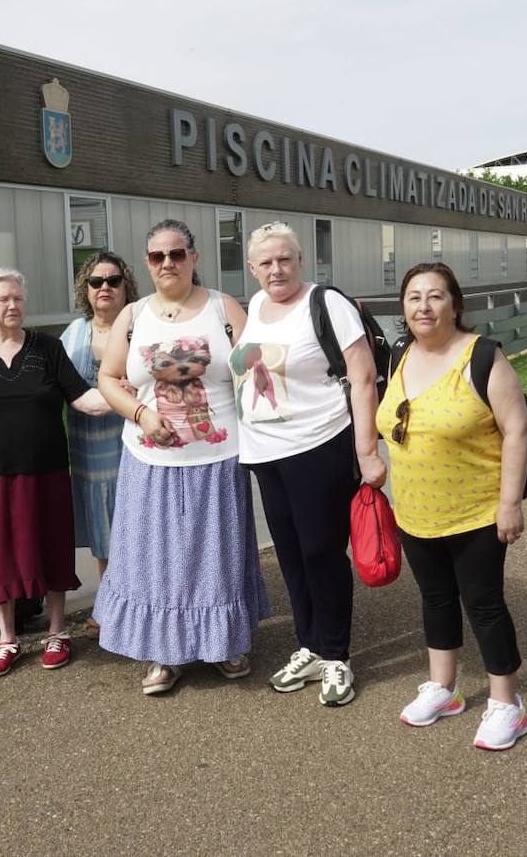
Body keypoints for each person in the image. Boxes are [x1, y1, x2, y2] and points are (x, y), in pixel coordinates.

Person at [94, 219, 270, 695]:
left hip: (217, 457)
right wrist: (140, 413)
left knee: (217, 556)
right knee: (155, 560)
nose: (167, 263)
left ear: (193, 257)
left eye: (176, 254)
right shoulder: (132, 316)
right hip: (149, 462)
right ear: (148, 263)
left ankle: (225, 643)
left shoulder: (223, 307)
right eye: (157, 257)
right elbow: (108, 378)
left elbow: (259, 372)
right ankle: (163, 654)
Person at [376, 262, 527, 750]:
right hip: (416, 510)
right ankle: (443, 688)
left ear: (455, 304)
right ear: (404, 308)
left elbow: (517, 430)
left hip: (476, 512)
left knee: (483, 604)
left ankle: (507, 703)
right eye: (414, 297)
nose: (424, 306)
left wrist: (509, 503)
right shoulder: (400, 354)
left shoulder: (482, 356)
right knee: (435, 599)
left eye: (436, 296)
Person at [231, 222, 384, 708]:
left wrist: (367, 452)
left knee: (322, 551)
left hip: (320, 444)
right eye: (266, 262)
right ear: (253, 268)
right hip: (266, 452)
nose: (276, 270)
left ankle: (336, 653)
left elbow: (363, 379)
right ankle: (310, 645)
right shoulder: (254, 307)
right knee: (292, 554)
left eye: (285, 259)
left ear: (301, 261)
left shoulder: (327, 304)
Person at [0, 268, 112, 677]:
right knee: (1, 556)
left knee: (51, 548)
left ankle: (58, 630)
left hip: (49, 471)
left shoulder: (46, 347)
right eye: (3, 299)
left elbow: (82, 398)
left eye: (18, 299)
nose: (12, 305)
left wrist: (129, 397)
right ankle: (6, 638)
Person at [59, 252, 139, 639]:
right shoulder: (72, 333)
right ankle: (109, 601)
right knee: (102, 529)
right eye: (95, 281)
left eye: (113, 281)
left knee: (136, 523)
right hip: (88, 451)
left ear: (126, 287)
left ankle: (139, 601)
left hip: (132, 444)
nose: (104, 287)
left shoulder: (139, 326)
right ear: (85, 289)